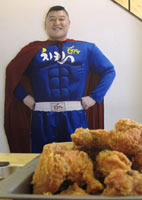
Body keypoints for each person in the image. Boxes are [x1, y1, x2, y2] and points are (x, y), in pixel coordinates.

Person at [4, 6, 116, 153]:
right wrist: (24, 97)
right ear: (45, 25)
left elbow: (109, 70)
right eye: (52, 19)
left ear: (68, 23)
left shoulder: (87, 49)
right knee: (42, 160)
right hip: (42, 116)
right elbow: (12, 72)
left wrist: (95, 97)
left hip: (75, 116)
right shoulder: (33, 49)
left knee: (77, 160)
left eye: (61, 19)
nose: (57, 22)